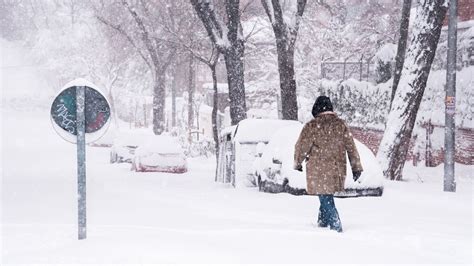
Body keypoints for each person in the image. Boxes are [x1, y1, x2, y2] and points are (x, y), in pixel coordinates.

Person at [294, 96, 363, 233]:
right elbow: (351, 147)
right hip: (337, 169)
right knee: (325, 195)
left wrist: (297, 162)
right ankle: (322, 225)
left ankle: (336, 227)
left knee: (325, 197)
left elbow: (301, 146)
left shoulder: (312, 126)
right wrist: (356, 167)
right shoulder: (341, 125)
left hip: (318, 169)